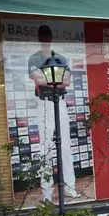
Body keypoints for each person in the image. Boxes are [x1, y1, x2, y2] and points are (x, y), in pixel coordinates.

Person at [28, 24, 79, 201]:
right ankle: (47, 193)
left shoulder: (61, 58)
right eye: (42, 36)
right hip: (44, 104)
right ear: (39, 38)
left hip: (60, 103)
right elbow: (37, 79)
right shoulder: (34, 58)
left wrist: (48, 79)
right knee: (46, 149)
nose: (45, 39)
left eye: (47, 36)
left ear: (50, 38)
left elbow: (66, 81)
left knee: (65, 146)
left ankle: (70, 187)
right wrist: (54, 79)